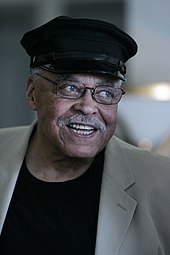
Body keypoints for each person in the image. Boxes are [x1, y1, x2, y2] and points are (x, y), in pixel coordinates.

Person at [0, 16, 170, 255]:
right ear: (32, 93)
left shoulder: (163, 183)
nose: (88, 107)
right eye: (70, 88)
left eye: (105, 92)